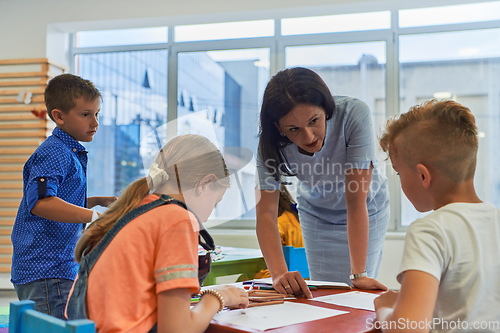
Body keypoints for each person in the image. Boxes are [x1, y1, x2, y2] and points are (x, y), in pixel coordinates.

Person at [66, 134, 249, 333]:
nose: (206, 217)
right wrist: (217, 297)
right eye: (215, 203)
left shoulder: (131, 210)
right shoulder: (177, 219)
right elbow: (177, 330)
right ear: (205, 184)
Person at [256, 67, 390, 297]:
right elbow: (266, 214)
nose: (308, 137)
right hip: (316, 212)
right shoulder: (271, 144)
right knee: (325, 293)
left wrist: (359, 275)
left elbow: (356, 200)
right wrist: (278, 274)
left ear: (325, 109)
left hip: (366, 208)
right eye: (293, 129)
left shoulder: (354, 114)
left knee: (355, 292)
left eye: (314, 121)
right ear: (279, 128)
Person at [374, 100, 500, 332]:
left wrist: (385, 308)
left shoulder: (429, 230)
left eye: (399, 172)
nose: (399, 181)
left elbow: (407, 328)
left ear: (423, 176)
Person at [11, 74, 117, 319]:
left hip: (57, 266)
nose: (95, 122)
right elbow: (40, 202)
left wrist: (97, 201)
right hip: (47, 269)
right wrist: (94, 216)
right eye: (86, 114)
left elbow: (60, 198)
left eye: (97, 114)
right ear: (59, 116)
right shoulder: (55, 152)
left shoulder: (68, 151)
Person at [253, 185, 304, 279]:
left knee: (244, 278)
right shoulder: (298, 217)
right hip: (305, 275)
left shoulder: (276, 226)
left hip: (285, 275)